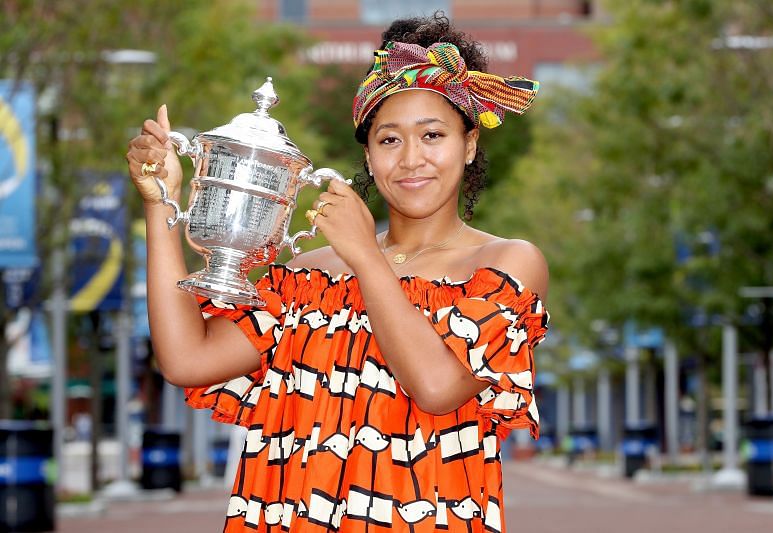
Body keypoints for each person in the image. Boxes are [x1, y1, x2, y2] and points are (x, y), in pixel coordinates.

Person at [126, 12, 549, 533]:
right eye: (389, 140)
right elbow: (187, 359)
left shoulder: (504, 264)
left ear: (468, 145)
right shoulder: (308, 276)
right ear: (369, 158)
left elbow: (438, 388)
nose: (412, 159)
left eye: (433, 135)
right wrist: (161, 201)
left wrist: (364, 256)